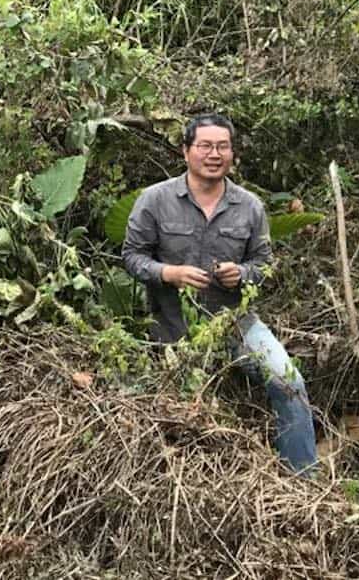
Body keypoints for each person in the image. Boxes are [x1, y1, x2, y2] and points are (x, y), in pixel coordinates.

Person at [122, 113, 318, 475]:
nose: (215, 154)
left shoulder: (250, 206)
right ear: (186, 151)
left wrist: (241, 274)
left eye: (223, 146)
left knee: (289, 381)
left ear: (232, 154)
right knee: (157, 407)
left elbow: (263, 265)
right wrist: (169, 273)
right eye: (205, 146)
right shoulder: (154, 200)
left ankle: (303, 481)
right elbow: (131, 257)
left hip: (235, 324)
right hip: (169, 330)